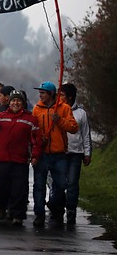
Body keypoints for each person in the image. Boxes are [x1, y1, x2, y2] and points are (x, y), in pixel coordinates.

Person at [0, 90, 43, 226]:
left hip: (20, 160)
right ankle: (1, 207)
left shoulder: (30, 119)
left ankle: (17, 215)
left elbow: (36, 140)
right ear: (9, 102)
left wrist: (35, 155)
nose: (16, 103)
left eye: (19, 100)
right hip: (2, 158)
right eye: (13, 100)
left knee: (19, 189)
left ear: (23, 103)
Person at [31, 81, 79, 227]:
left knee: (60, 184)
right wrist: (40, 138)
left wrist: (59, 120)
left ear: (51, 94)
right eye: (40, 93)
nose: (40, 95)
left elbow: (73, 128)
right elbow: (32, 130)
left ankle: (55, 205)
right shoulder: (36, 109)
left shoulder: (63, 108)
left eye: (43, 93)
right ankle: (39, 214)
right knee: (39, 185)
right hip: (42, 153)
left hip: (59, 154)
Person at [59, 83, 92, 225]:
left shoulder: (81, 114)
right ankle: (58, 207)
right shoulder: (57, 111)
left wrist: (87, 153)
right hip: (60, 152)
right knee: (59, 183)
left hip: (75, 154)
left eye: (62, 95)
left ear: (70, 97)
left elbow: (86, 134)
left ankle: (71, 210)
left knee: (72, 183)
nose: (59, 98)